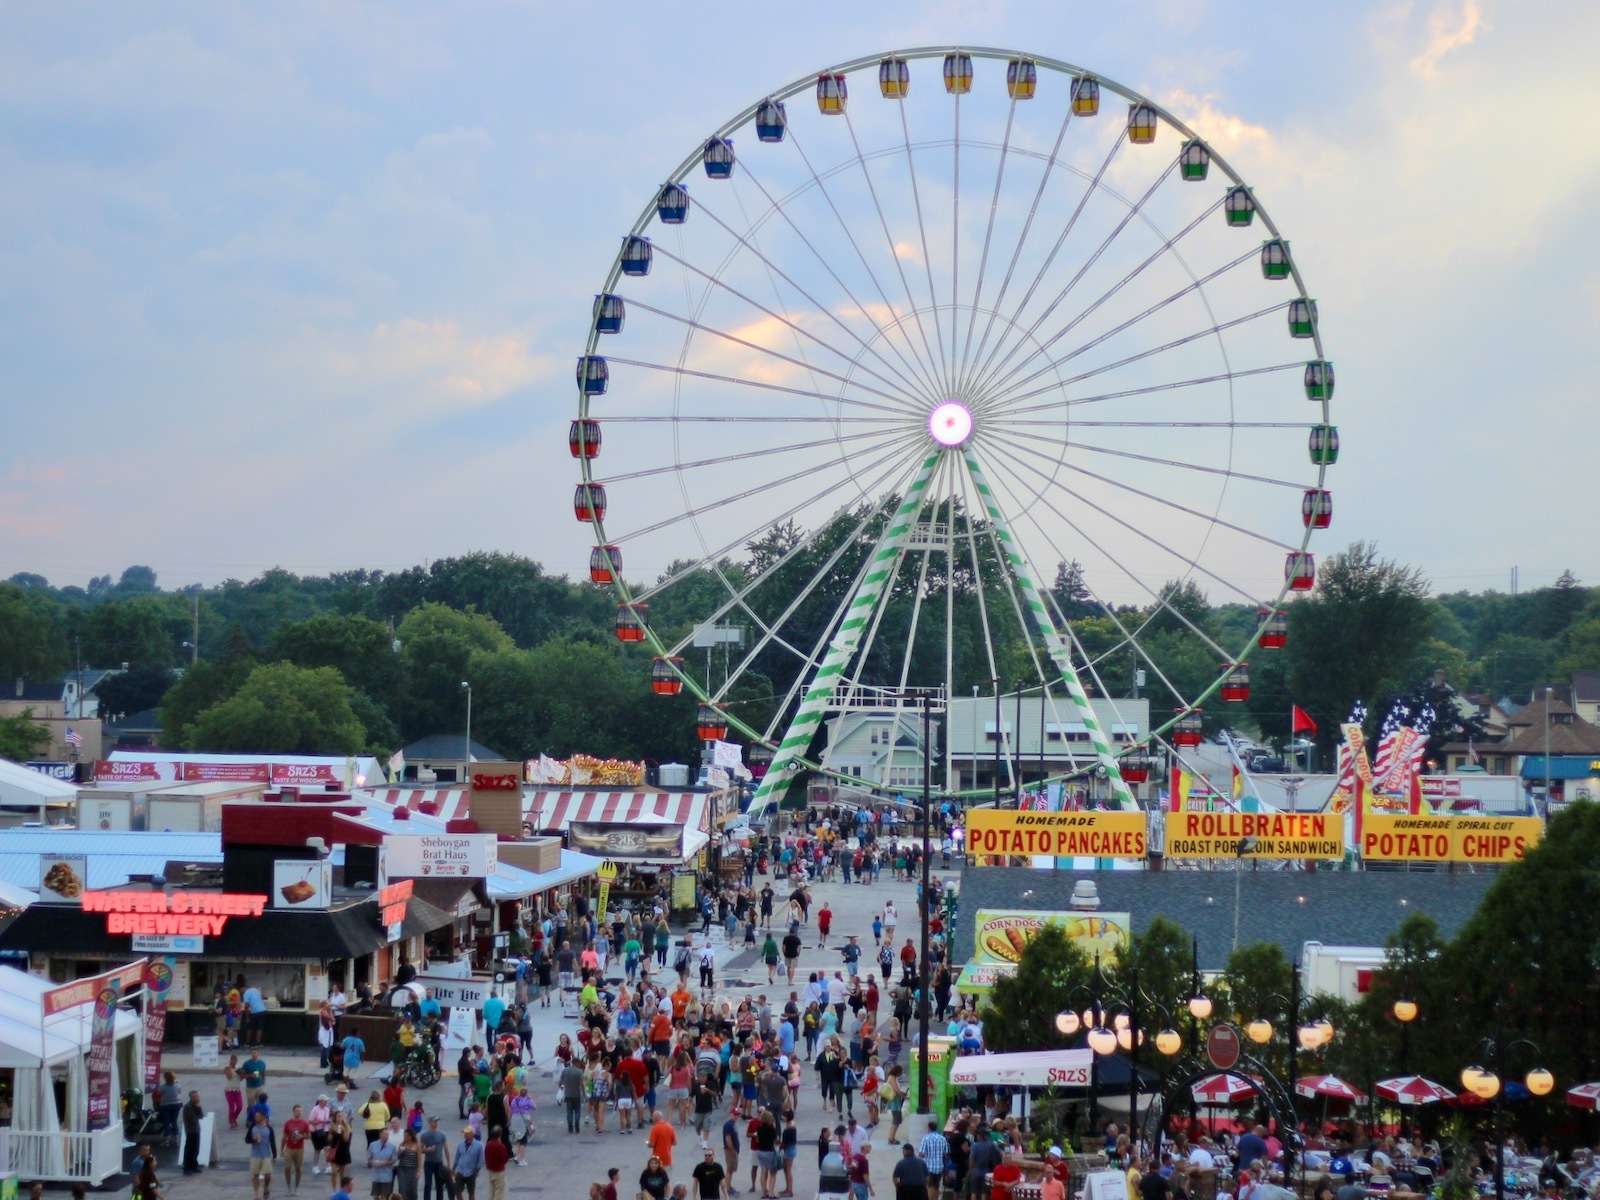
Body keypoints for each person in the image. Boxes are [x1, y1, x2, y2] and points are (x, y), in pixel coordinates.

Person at [249, 1110, 278, 1200]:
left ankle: (266, 1187)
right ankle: (257, 1195)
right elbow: (247, 1139)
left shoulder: (269, 1129)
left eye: (258, 1116)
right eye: (255, 1116)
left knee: (268, 1175)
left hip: (266, 1155)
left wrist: (274, 1156)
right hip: (255, 1155)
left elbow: (272, 1143)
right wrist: (253, 1139)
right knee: (255, 1175)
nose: (256, 1118)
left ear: (263, 1117)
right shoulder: (253, 1127)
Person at [420, 1116, 452, 1200]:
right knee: (428, 1184)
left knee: (439, 1184)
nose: (436, 1123)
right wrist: (427, 1150)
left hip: (439, 1163)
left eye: (437, 1121)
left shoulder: (442, 1134)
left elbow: (446, 1149)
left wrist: (448, 1163)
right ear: (430, 1122)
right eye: (434, 1121)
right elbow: (419, 1150)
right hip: (428, 1163)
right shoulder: (424, 1135)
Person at [282, 1102, 311, 1194]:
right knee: (287, 1167)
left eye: (300, 1111)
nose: (299, 1113)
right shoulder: (288, 1123)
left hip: (299, 1149)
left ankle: (296, 1187)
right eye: (297, 1111)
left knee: (298, 1169)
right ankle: (288, 1186)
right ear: (293, 1111)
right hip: (289, 1148)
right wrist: (282, 1149)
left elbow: (309, 1135)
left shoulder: (304, 1123)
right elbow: (284, 1136)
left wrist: (302, 1137)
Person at [917, 1121, 947, 1200]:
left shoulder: (926, 1139)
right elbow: (946, 1153)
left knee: (930, 1186)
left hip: (929, 1167)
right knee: (937, 1186)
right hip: (939, 1166)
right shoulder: (942, 1138)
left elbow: (921, 1154)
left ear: (929, 1128)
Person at [453, 1127, 485, 1200]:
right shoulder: (460, 1144)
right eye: (465, 1133)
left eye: (467, 1133)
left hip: (471, 1172)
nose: (465, 1135)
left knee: (471, 1192)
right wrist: (453, 1169)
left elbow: (481, 1160)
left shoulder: (479, 1145)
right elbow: (456, 1157)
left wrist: (476, 1172)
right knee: (457, 1190)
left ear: (473, 1134)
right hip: (460, 1171)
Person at [481, 1126, 509, 1200]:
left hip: (490, 1170)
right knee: (499, 1192)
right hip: (498, 1170)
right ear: (500, 1135)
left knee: (492, 1192)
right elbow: (505, 1158)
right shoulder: (500, 1146)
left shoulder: (488, 1144)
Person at [181, 1090, 205, 1174]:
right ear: (191, 1097)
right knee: (189, 1149)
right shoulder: (188, 1106)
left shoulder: (196, 1105)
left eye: (198, 1096)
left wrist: (199, 1107)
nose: (197, 1098)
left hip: (196, 1130)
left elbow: (201, 1116)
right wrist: (197, 1113)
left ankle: (194, 1165)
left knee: (195, 1149)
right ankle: (187, 1167)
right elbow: (193, 1119)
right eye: (195, 1096)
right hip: (191, 1130)